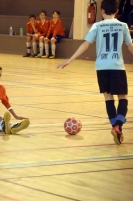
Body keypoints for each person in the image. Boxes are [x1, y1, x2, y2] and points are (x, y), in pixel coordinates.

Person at [57, 0, 133, 145]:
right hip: (117, 67)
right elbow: (130, 47)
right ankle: (118, 126)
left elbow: (85, 44)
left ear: (102, 11)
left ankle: (116, 127)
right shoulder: (123, 26)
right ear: (117, 11)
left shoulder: (97, 26)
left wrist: (69, 60)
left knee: (108, 98)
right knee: (123, 98)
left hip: (102, 67)